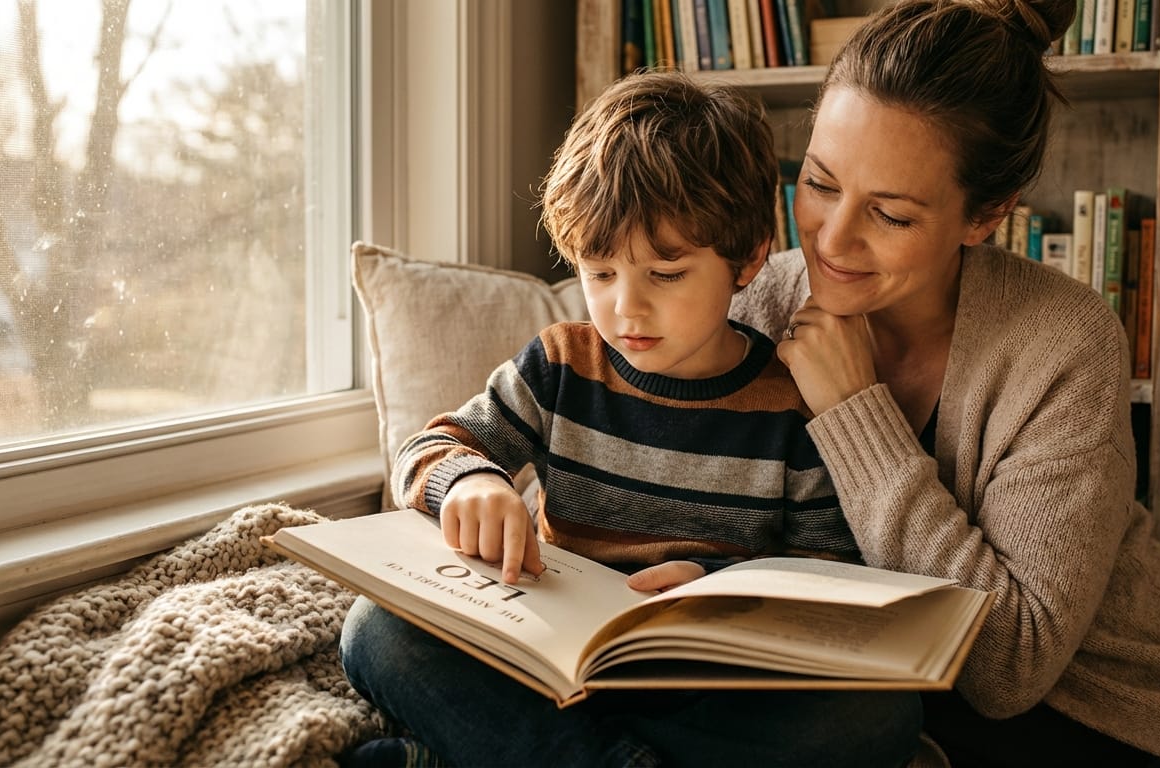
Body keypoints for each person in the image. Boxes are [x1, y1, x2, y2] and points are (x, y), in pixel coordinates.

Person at [727, 0, 1160, 765]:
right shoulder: (755, 301)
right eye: (819, 183)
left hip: (1121, 718)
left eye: (889, 214)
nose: (831, 236)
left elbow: (1007, 667)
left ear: (985, 217)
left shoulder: (1065, 340)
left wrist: (857, 414)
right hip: (879, 711)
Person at [337, 71, 922, 768]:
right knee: (374, 629)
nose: (626, 308)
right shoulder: (560, 366)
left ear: (748, 259)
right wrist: (469, 484)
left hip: (702, 687)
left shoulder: (789, 402)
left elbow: (828, 574)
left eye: (666, 275)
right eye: (600, 271)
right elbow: (432, 447)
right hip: (550, 665)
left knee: (879, 713)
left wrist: (719, 590)